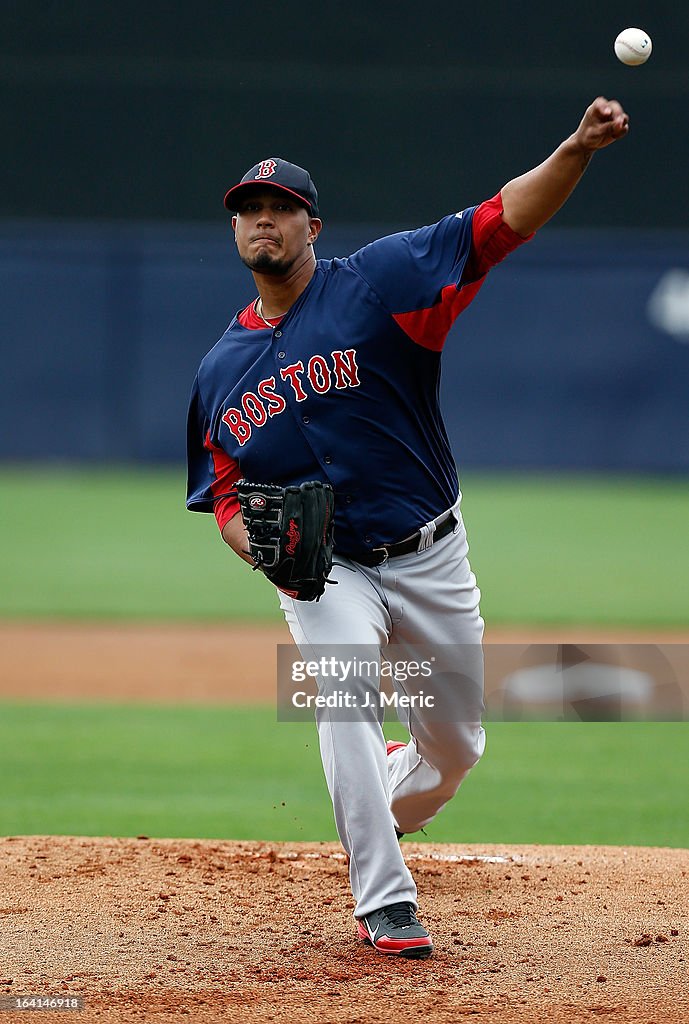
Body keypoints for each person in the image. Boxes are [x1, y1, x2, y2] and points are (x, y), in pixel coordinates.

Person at [186, 97, 629, 959]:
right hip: (326, 572)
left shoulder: (380, 284)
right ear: (235, 231)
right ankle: (383, 899)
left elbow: (498, 224)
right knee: (340, 695)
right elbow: (228, 496)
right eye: (247, 210)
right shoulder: (220, 369)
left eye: (277, 208)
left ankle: (378, 800)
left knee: (453, 751)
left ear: (311, 223)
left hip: (430, 553)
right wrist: (262, 552)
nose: (261, 221)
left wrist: (575, 150)